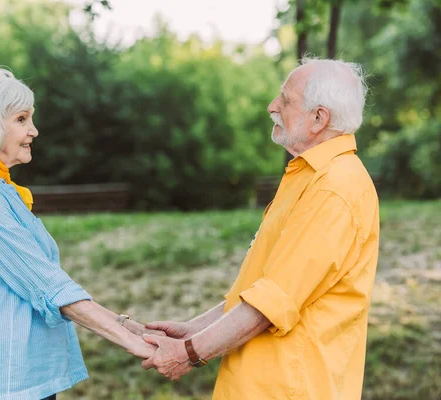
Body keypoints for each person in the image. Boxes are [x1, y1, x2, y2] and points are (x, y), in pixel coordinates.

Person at [141, 58, 379, 400]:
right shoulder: (311, 177)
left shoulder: (334, 188)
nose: (272, 107)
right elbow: (263, 286)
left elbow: (270, 305)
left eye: (285, 99)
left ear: (319, 118)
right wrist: (195, 328)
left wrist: (188, 353)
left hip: (290, 389)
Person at [0, 69, 159, 400]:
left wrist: (129, 324)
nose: (34, 131)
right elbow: (48, 286)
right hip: (6, 382)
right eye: (22, 119)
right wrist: (135, 343)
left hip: (27, 376)